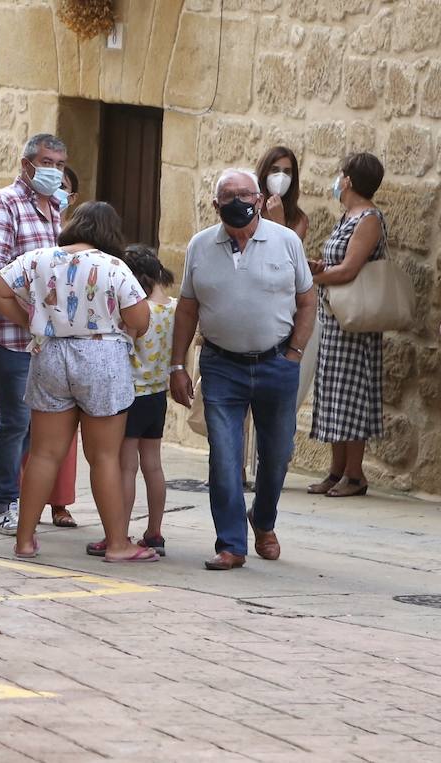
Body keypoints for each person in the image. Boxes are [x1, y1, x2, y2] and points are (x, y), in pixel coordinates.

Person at [0, 201, 153, 562]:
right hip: (103, 358)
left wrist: (30, 320)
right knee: (104, 456)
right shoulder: (114, 266)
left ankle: (25, 540)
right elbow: (140, 316)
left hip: (50, 355)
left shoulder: (39, 259)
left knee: (44, 454)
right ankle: (117, 544)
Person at [169, 168, 316, 571]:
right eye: (228, 196)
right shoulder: (200, 246)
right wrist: (177, 365)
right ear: (215, 205)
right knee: (225, 456)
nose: (238, 202)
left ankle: (263, 520)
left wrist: (295, 354)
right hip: (221, 366)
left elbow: (307, 300)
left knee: (278, 453)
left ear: (259, 199)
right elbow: (187, 308)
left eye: (245, 194)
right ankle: (231, 544)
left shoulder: (286, 242)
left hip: (276, 363)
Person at [0, 134, 80, 535]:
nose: (54, 170)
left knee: (34, 422)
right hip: (6, 333)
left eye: (60, 164)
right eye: (46, 162)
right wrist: (30, 315)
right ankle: (4, 504)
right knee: (16, 419)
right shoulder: (5, 203)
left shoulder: (54, 209)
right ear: (26, 163)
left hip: (40, 337)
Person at [307, 153, 388, 498]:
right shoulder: (348, 216)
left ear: (349, 180)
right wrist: (320, 268)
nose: (337, 180)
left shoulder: (369, 218)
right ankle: (336, 470)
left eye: (341, 175)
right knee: (333, 393)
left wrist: (314, 274)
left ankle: (355, 474)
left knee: (352, 393)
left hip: (355, 320)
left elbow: (350, 269)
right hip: (335, 316)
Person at [120, 245, 176, 555]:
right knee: (153, 465)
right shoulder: (174, 308)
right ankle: (155, 531)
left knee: (126, 468)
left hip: (132, 395)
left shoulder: (138, 312)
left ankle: (120, 532)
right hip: (157, 395)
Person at [256, 146, 310, 241]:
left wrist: (279, 220)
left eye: (287, 172)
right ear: (264, 172)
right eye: (275, 170)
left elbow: (290, 253)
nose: (281, 177)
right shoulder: (251, 208)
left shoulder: (298, 219)